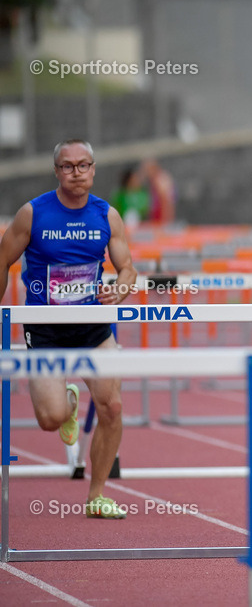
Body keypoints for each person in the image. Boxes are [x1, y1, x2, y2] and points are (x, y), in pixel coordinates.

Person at [0, 139, 138, 519]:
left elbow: (127, 267)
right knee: (49, 420)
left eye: (83, 165)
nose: (75, 172)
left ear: (93, 169)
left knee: (112, 407)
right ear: (56, 171)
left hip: (94, 327)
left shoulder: (107, 215)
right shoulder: (33, 213)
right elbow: (3, 257)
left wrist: (121, 288)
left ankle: (96, 496)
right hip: (45, 329)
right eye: (67, 166)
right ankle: (68, 408)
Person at [140, 158, 176, 224]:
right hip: (157, 218)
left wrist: (165, 222)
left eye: (147, 170)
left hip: (161, 219)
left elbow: (166, 204)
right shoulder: (154, 181)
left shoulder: (160, 180)